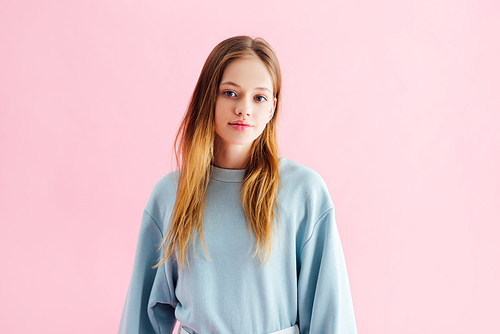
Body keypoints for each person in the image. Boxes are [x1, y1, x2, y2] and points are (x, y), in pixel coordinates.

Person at [118, 35, 357, 334]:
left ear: (271, 108)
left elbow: (331, 313)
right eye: (230, 93)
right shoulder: (170, 195)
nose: (244, 108)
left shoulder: (304, 192)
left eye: (259, 97)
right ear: (209, 97)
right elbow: (141, 319)